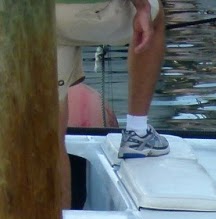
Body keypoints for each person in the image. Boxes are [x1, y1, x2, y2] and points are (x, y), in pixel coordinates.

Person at [56, 0, 168, 160]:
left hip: (29, 18)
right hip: (78, 14)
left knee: (53, 145)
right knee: (154, 15)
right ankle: (137, 134)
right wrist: (142, 7)